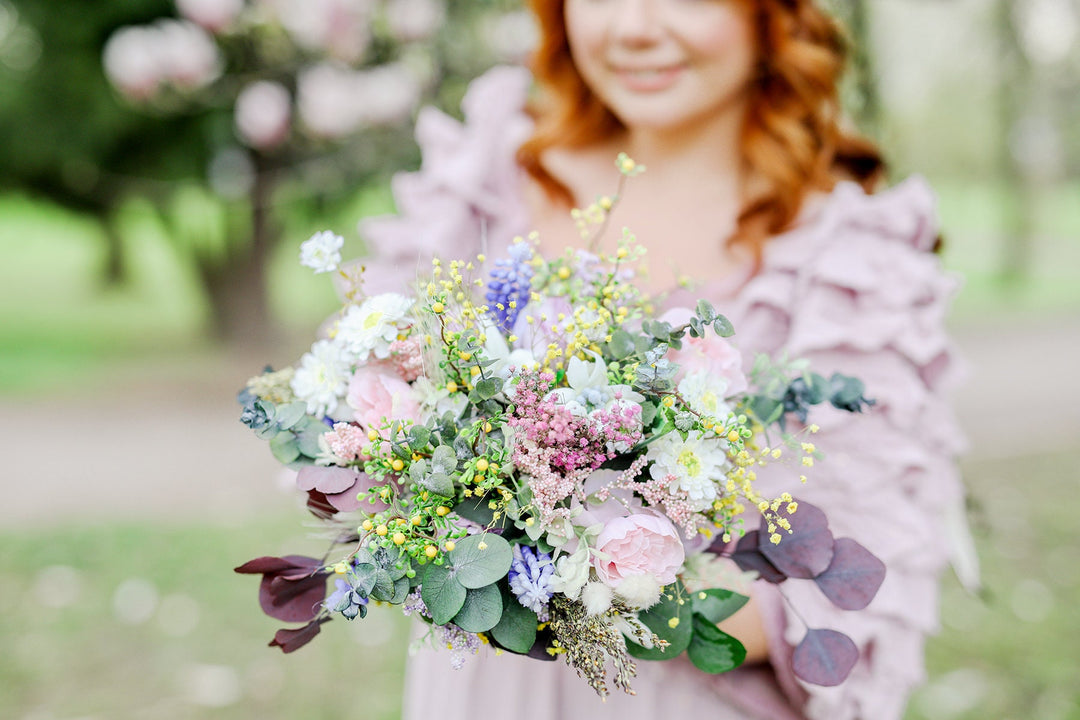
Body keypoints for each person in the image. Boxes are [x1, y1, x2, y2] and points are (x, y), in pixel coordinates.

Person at [358, 1, 975, 718]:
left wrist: (566, 583)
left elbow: (842, 569)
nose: (634, 28)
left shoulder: (846, 260)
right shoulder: (488, 182)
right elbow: (371, 420)